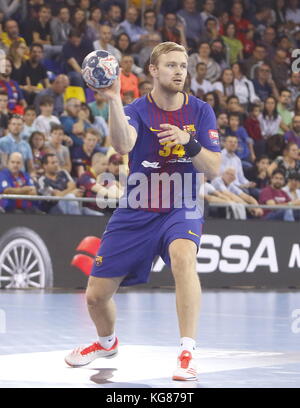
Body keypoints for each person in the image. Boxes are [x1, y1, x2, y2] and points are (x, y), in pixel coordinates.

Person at [64, 41, 221, 381]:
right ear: (153, 70)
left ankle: (186, 352)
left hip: (182, 202)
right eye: (171, 65)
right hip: (138, 206)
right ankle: (106, 343)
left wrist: (188, 141)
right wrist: (114, 100)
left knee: (183, 257)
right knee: (95, 297)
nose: (179, 71)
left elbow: (214, 166)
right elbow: (122, 145)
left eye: (183, 65)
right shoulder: (136, 109)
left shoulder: (200, 111)